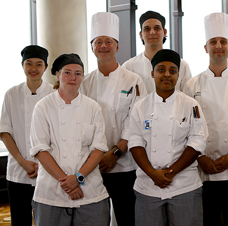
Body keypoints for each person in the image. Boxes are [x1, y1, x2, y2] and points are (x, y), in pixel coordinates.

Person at [183, 12, 228, 226]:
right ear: (206, 47)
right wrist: (200, 156)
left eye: (223, 42)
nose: (218, 46)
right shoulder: (191, 86)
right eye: (213, 42)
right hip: (203, 170)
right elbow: (187, 128)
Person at [80, 12, 147, 226]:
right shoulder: (84, 82)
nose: (103, 46)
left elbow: (137, 122)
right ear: (92, 47)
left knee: (127, 216)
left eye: (108, 41)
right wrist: (98, 156)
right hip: (93, 165)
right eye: (98, 41)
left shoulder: (134, 80)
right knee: (95, 218)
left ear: (117, 46)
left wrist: (115, 152)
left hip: (125, 163)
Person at [128, 49, 207, 226]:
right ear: (152, 73)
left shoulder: (190, 105)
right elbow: (135, 142)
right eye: (161, 70)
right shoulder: (140, 107)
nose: (166, 75)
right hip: (148, 185)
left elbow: (197, 141)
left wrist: (171, 172)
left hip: (184, 185)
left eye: (172, 71)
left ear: (178, 74)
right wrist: (152, 173)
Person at [30, 53, 110, 226]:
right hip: (51, 193)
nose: (73, 78)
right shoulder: (43, 107)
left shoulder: (93, 107)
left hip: (90, 191)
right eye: (67, 72)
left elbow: (99, 149)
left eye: (78, 73)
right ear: (57, 75)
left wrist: (78, 178)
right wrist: (68, 183)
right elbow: (40, 149)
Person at [0, 45, 54, 225]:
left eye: (39, 64)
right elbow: (5, 132)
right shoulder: (11, 94)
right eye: (29, 63)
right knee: (19, 220)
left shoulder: (53, 93)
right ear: (22, 65)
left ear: (45, 67)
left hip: (48, 172)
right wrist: (23, 162)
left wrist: (43, 164)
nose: (33, 68)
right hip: (17, 170)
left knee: (46, 220)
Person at [122, 10, 192, 93]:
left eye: (157, 28)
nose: (152, 32)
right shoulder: (129, 67)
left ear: (164, 32)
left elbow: (188, 99)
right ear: (141, 35)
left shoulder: (182, 65)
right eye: (147, 29)